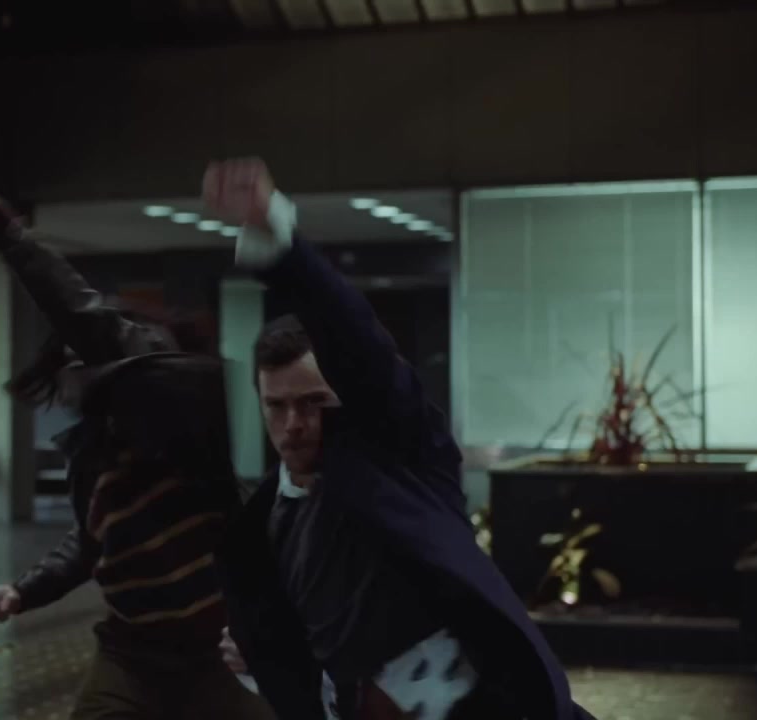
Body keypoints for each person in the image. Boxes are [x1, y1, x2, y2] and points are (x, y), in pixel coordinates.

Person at [203, 159, 596, 720]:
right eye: (277, 405)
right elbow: (303, 654)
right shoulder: (265, 524)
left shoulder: (404, 466)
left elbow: (357, 344)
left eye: (313, 402)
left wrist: (282, 242)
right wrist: (261, 654)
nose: (294, 423)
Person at [0, 188, 273, 720]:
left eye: (89, 360)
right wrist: (24, 591)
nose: (77, 379)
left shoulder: (175, 421)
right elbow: (91, 540)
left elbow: (76, 310)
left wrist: (4, 232)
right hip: (132, 654)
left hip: (217, 648)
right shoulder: (96, 454)